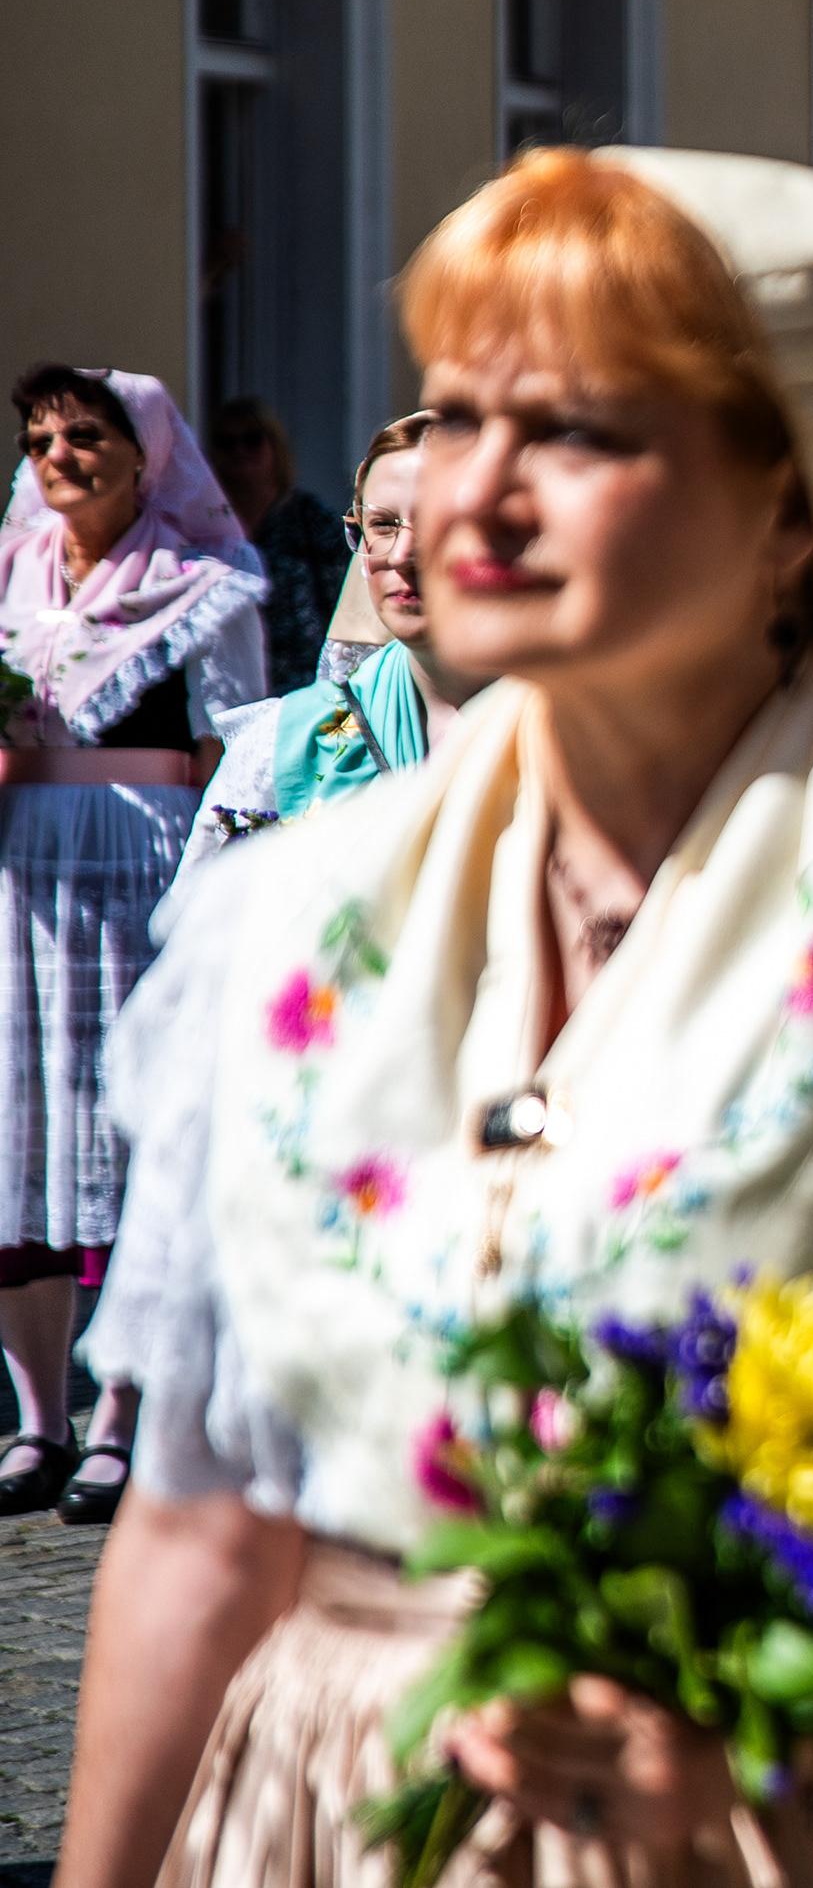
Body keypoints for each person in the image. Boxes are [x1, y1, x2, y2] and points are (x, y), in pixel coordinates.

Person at [56, 146, 813, 1888]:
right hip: (352, 1808)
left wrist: (812, 1711)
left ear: (797, 506)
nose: (474, 497)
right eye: (456, 417)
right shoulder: (290, 920)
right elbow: (198, 1531)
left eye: (575, 432)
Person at [4, 367, 267, 1526]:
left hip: (143, 865)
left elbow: (233, 751)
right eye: (43, 437)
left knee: (126, 1117)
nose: (62, 454)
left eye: (88, 434)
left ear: (145, 449)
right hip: (19, 870)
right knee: (26, 1121)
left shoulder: (207, 589)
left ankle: (119, 1416)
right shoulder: (9, 575)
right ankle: (35, 1416)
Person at [178, 415, 476, 876]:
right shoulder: (284, 743)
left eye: (438, 521)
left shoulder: (574, 723)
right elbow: (206, 928)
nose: (401, 555)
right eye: (382, 525)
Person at [201, 398, 347, 694]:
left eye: (252, 440)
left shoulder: (311, 518)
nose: (239, 450)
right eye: (226, 443)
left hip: (300, 688)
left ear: (275, 447)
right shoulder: (203, 522)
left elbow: (343, 606)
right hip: (225, 687)